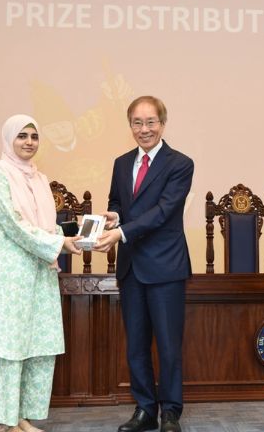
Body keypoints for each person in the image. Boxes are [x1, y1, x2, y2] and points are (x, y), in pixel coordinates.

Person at [92, 96, 193, 432]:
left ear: (162, 123)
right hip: (132, 267)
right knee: (136, 345)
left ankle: (171, 412)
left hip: (165, 267)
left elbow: (164, 211)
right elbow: (118, 201)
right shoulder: (121, 163)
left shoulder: (180, 164)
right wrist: (114, 216)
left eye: (151, 122)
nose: (144, 129)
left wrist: (121, 232)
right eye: (137, 122)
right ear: (130, 126)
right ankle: (145, 410)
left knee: (168, 345)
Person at [0, 114, 82, 432]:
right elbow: (15, 225)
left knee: (38, 347)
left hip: (40, 271)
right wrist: (58, 243)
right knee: (11, 350)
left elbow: (42, 226)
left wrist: (74, 235)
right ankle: (4, 422)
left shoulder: (39, 178)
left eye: (34, 136)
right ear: (8, 139)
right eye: (21, 136)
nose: (28, 142)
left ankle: (21, 417)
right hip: (12, 276)